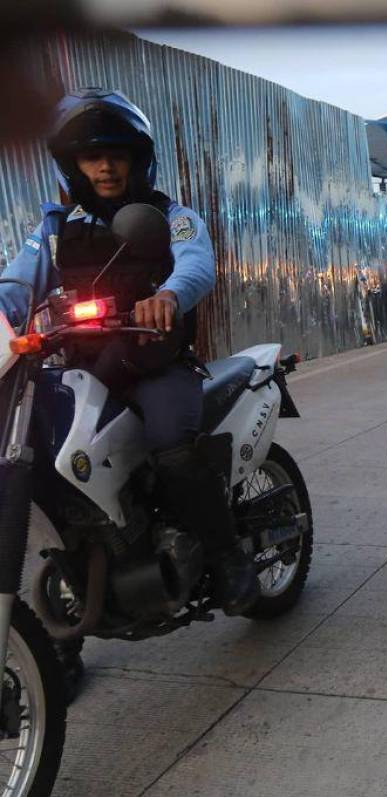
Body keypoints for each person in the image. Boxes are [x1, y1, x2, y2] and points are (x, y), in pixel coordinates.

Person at [0, 88, 262, 688]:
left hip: (153, 363)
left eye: (116, 153)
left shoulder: (170, 214)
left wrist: (168, 295)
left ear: (136, 158)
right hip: (79, 370)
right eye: (91, 157)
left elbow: (196, 262)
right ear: (73, 166)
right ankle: (55, 636)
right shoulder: (55, 227)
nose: (105, 166)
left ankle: (227, 557)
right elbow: (17, 283)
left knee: (174, 445)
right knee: (36, 472)